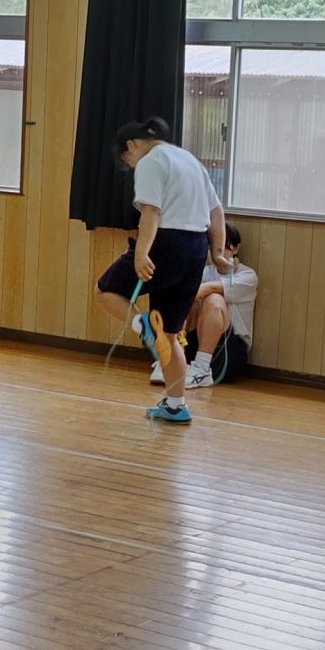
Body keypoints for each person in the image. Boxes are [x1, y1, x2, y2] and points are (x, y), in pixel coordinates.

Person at [92, 117, 225, 425]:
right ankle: (176, 405)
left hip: (165, 243)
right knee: (169, 334)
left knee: (104, 291)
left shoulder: (151, 161)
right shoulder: (190, 160)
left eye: (127, 160)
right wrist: (217, 252)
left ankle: (143, 327)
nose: (131, 165)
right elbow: (216, 211)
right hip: (196, 249)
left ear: (131, 146)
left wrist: (141, 253)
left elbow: (151, 211)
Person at [152, 222, 257, 391]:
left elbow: (210, 288)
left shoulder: (248, 276)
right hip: (194, 346)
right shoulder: (204, 271)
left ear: (235, 248)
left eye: (223, 247)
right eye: (211, 247)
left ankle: (202, 368)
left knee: (212, 298)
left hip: (228, 354)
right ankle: (169, 359)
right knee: (190, 302)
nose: (216, 253)